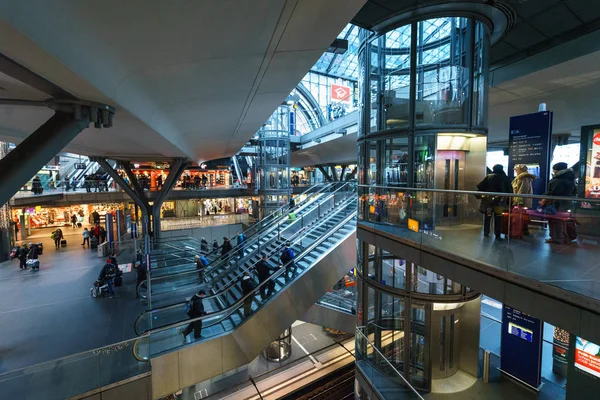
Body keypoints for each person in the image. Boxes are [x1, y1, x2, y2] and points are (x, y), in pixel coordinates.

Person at [477, 164, 512, 239]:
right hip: (500, 203)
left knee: (488, 217)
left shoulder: (489, 177)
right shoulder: (505, 178)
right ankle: (497, 234)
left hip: (489, 203)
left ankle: (486, 233)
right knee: (498, 218)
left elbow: (480, 186)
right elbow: (510, 191)